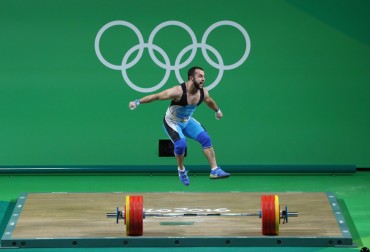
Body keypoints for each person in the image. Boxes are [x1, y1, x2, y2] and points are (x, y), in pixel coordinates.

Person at [129, 66, 230, 186]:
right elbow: (156, 96)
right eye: (200, 76)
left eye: (204, 76)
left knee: (206, 139)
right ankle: (181, 170)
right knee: (181, 144)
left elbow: (209, 101)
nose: (203, 79)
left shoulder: (203, 92)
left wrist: (217, 111)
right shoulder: (178, 91)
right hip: (172, 121)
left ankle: (215, 170)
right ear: (191, 78)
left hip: (187, 121)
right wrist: (138, 101)